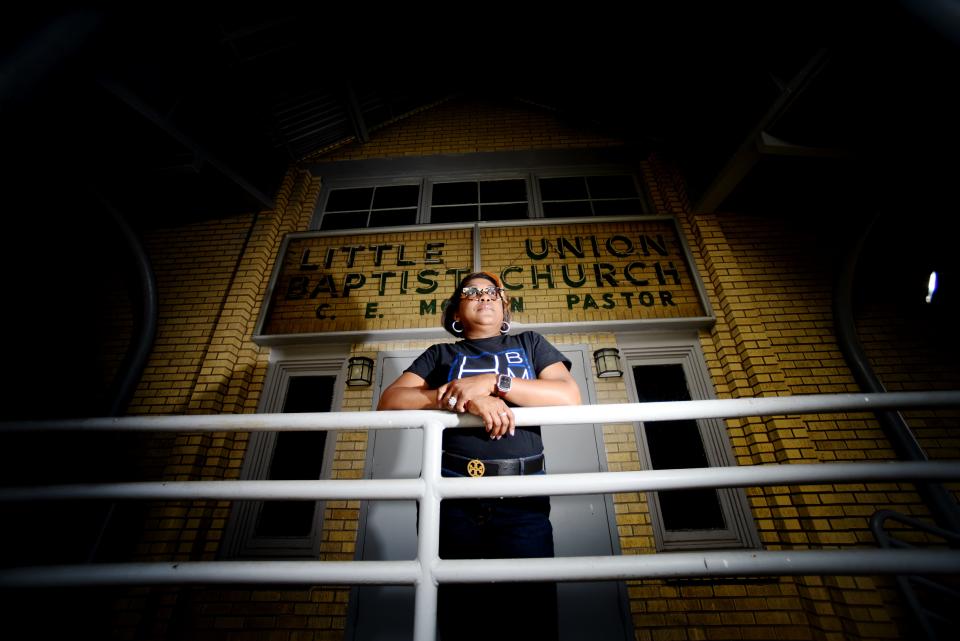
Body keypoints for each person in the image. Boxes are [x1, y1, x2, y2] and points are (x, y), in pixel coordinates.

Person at [377, 271, 581, 641]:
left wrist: (494, 383)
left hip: (523, 498)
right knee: (462, 616)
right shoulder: (441, 354)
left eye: (492, 292)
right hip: (453, 496)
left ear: (504, 307)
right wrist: (463, 397)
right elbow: (390, 401)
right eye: (472, 292)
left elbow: (568, 397)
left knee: (530, 617)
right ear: (457, 311)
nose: (483, 297)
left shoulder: (530, 344)